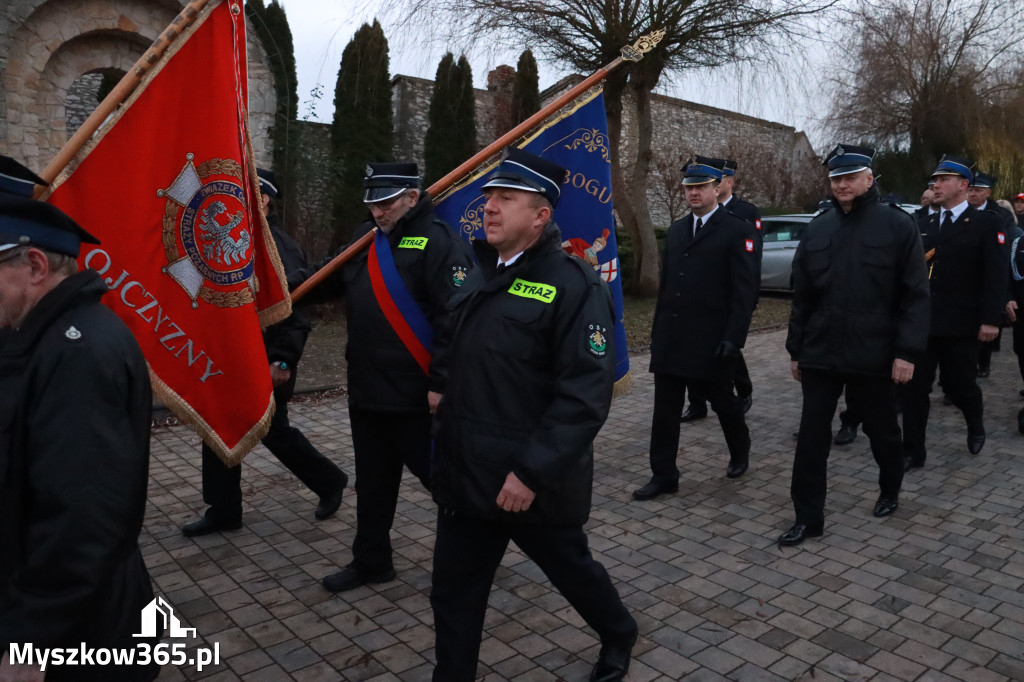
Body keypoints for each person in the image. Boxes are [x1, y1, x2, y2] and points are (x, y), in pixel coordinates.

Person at [430, 148, 637, 682]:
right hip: (467, 472)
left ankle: (618, 631)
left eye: (506, 198)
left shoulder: (574, 284)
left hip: (525, 481)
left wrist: (532, 472)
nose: (490, 208)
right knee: (453, 593)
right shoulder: (480, 272)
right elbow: (457, 346)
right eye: (488, 197)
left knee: (571, 571)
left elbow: (585, 393)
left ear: (541, 214)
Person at [0, 156, 160, 681]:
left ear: (36, 268)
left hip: (80, 637)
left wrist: (30, 640)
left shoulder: (79, 352)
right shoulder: (33, 335)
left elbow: (82, 518)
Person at [291, 162, 474, 593]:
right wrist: (279, 290)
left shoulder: (441, 242)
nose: (378, 211)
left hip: (417, 397)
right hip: (368, 391)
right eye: (372, 203)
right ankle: (371, 561)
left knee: (444, 484)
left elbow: (457, 319)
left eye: (387, 202)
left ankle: (474, 555)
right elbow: (323, 279)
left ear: (412, 197)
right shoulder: (363, 239)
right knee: (373, 485)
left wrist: (441, 384)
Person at [181, 169, 350, 537]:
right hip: (228, 357)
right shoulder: (240, 241)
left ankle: (330, 481)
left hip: (265, 358)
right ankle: (223, 509)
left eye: (245, 195)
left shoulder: (278, 247)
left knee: (274, 431)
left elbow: (296, 309)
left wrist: (283, 360)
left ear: (264, 200)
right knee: (218, 428)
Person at [779, 144, 930, 547]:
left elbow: (915, 295)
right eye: (836, 178)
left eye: (850, 177)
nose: (842, 185)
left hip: (875, 353)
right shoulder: (819, 227)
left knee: (883, 432)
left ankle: (890, 487)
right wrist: (797, 350)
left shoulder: (897, 226)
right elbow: (804, 296)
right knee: (812, 437)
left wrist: (906, 352)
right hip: (822, 352)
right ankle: (808, 517)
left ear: (869, 179)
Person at [633, 155, 758, 501]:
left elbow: (744, 291)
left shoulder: (738, 230)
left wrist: (734, 338)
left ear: (717, 188)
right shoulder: (676, 230)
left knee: (723, 402)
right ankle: (664, 474)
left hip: (712, 338)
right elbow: (669, 286)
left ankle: (740, 447)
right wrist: (658, 333)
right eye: (689, 187)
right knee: (665, 412)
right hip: (673, 337)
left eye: (701, 187)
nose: (694, 193)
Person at [901, 155, 1005, 471]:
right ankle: (913, 450)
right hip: (924, 323)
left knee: (960, 387)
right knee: (915, 390)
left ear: (963, 186)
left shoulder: (987, 223)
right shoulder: (923, 224)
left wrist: (991, 319)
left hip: (962, 324)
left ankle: (975, 422)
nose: (936, 184)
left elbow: (995, 275)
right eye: (935, 180)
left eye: (944, 179)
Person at [681, 158, 761, 421]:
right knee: (691, 351)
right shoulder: (689, 220)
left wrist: (749, 299)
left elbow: (751, 261)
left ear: (726, 183)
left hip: (728, 298)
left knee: (728, 352)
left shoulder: (745, 213)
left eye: (722, 179)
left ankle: (743, 390)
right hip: (699, 301)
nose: (697, 190)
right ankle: (696, 402)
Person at [967, 172, 1016, 377]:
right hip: (964, 278)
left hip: (987, 277)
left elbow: (1003, 254)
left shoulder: (999, 216)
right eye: (970, 189)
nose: (973, 194)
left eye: (978, 190)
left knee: (984, 329)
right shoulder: (959, 211)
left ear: (988, 192)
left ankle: (983, 364)